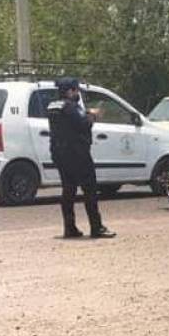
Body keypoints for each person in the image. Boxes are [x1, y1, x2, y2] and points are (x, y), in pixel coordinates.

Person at [47, 77, 116, 239]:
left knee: (68, 190)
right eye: (76, 90)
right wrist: (93, 115)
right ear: (70, 91)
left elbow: (69, 123)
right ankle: (96, 227)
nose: (78, 93)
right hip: (77, 153)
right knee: (90, 190)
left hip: (59, 153)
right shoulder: (70, 106)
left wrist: (85, 114)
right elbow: (83, 124)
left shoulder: (53, 106)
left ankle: (69, 228)